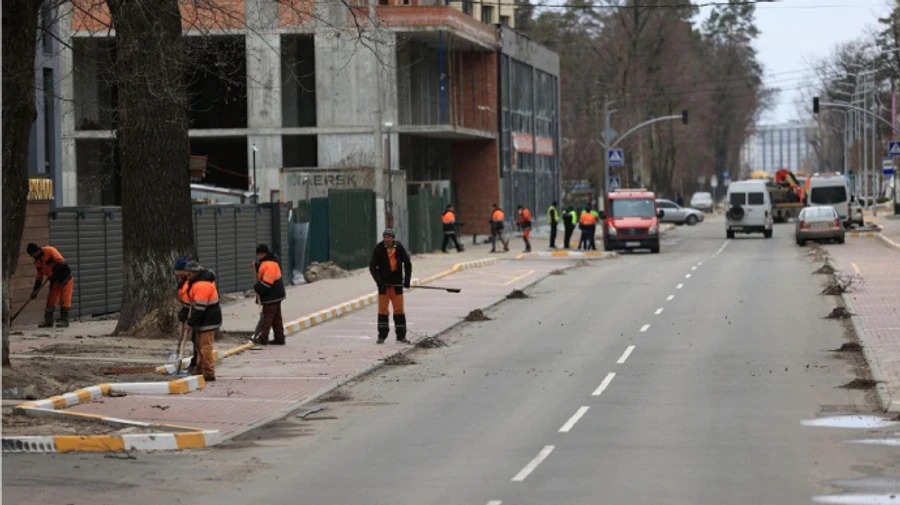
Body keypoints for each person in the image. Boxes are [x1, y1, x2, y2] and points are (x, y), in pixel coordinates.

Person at [369, 229, 413, 344]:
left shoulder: (399, 248)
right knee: (383, 311)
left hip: (397, 285)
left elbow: (407, 264)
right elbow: (373, 267)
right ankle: (382, 335)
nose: (387, 239)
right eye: (385, 237)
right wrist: (379, 281)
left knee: (399, 310)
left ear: (393, 238)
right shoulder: (379, 248)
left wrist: (407, 280)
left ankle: (401, 336)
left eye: (389, 237)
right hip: (383, 286)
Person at [184, 261, 221, 381]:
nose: (187, 277)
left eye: (188, 274)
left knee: (205, 347)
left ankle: (209, 373)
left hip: (208, 320)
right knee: (199, 346)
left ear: (194, 273)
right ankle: (199, 370)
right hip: (204, 319)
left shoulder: (202, 285)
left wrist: (190, 322)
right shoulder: (197, 283)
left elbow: (200, 307)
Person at [26, 243, 74, 328]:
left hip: (65, 277)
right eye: (32, 255)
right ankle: (48, 321)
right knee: (51, 299)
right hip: (54, 279)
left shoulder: (50, 250)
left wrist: (53, 272)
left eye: (34, 253)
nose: (33, 256)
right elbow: (39, 278)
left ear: (37, 250)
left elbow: (61, 262)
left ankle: (64, 320)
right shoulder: (37, 263)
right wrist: (35, 291)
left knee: (65, 298)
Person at [252, 244, 287, 345]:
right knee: (276, 317)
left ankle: (263, 337)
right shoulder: (269, 262)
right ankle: (279, 338)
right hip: (276, 294)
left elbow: (267, 283)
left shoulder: (269, 264)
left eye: (259, 255)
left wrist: (257, 288)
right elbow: (263, 269)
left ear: (263, 254)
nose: (258, 257)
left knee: (268, 316)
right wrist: (257, 266)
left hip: (272, 295)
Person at [174, 257, 198, 372]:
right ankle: (192, 361)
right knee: (192, 338)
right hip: (187, 310)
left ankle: (196, 362)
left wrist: (188, 314)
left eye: (180, 274)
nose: (178, 276)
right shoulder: (182, 283)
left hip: (194, 312)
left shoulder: (191, 283)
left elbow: (191, 299)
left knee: (196, 339)